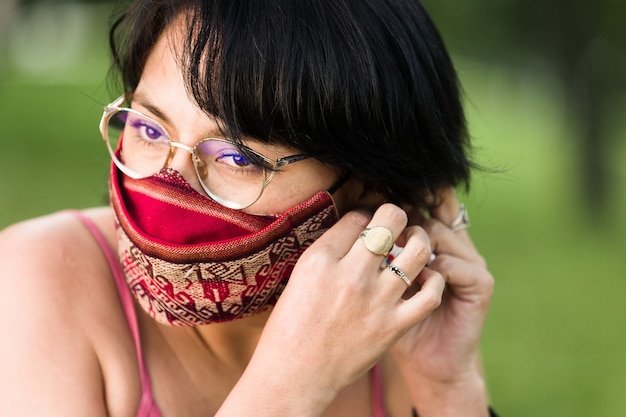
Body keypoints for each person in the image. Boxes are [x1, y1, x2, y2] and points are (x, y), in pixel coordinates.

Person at [0, 0, 496, 416]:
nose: (167, 184)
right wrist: (292, 384)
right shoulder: (36, 280)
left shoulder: (389, 333)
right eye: (149, 129)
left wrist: (448, 387)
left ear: (372, 188)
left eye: (238, 156)